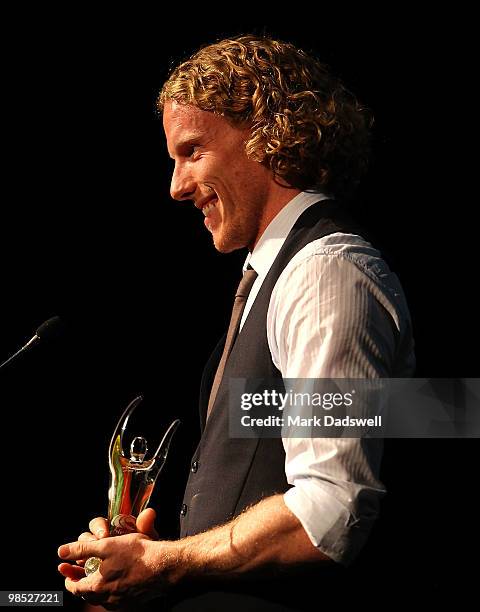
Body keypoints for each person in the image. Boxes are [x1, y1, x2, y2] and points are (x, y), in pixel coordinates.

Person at [58, 34, 415, 610]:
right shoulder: (278, 275)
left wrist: (171, 564)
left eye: (192, 151)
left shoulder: (326, 273)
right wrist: (145, 563)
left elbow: (330, 510)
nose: (175, 187)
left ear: (269, 136)